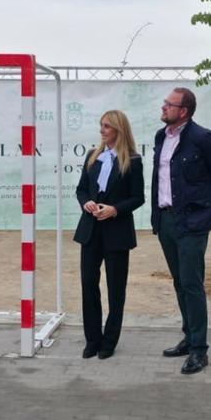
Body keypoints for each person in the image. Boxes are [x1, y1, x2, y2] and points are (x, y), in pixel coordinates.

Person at [151, 87, 211, 375]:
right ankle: (189, 337)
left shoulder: (202, 138)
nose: (163, 108)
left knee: (192, 283)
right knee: (179, 282)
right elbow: (159, 179)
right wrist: (157, 218)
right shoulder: (162, 137)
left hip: (192, 223)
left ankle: (199, 350)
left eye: (168, 104)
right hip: (166, 221)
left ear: (183, 111)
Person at [74, 110, 145, 360]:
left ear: (118, 129)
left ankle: (109, 340)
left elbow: (138, 197)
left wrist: (115, 210)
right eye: (100, 125)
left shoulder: (133, 160)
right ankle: (92, 339)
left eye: (106, 126)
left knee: (116, 289)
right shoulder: (93, 157)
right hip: (90, 231)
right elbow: (81, 189)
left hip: (117, 233)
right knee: (88, 285)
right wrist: (87, 203)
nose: (102, 130)